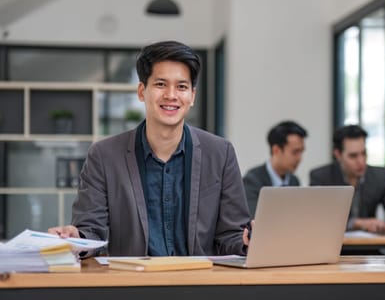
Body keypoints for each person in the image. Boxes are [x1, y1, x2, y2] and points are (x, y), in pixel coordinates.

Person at [48, 40, 251, 256]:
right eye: (161, 84)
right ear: (142, 91)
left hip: (199, 284)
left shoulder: (221, 153)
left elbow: (231, 237)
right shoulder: (104, 155)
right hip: (133, 285)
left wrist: (248, 242)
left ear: (192, 96)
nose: (171, 95)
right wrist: (76, 238)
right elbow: (91, 231)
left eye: (181, 87)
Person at [310, 124, 385, 234]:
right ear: (338, 154)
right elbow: (319, 221)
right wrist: (356, 223)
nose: (361, 161)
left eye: (363, 153)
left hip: (369, 248)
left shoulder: (379, 176)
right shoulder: (321, 177)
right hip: (336, 249)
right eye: (353, 156)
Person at [243, 120, 308, 218]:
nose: (299, 158)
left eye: (301, 152)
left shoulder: (294, 181)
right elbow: (255, 220)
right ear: (276, 150)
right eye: (295, 152)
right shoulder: (252, 180)